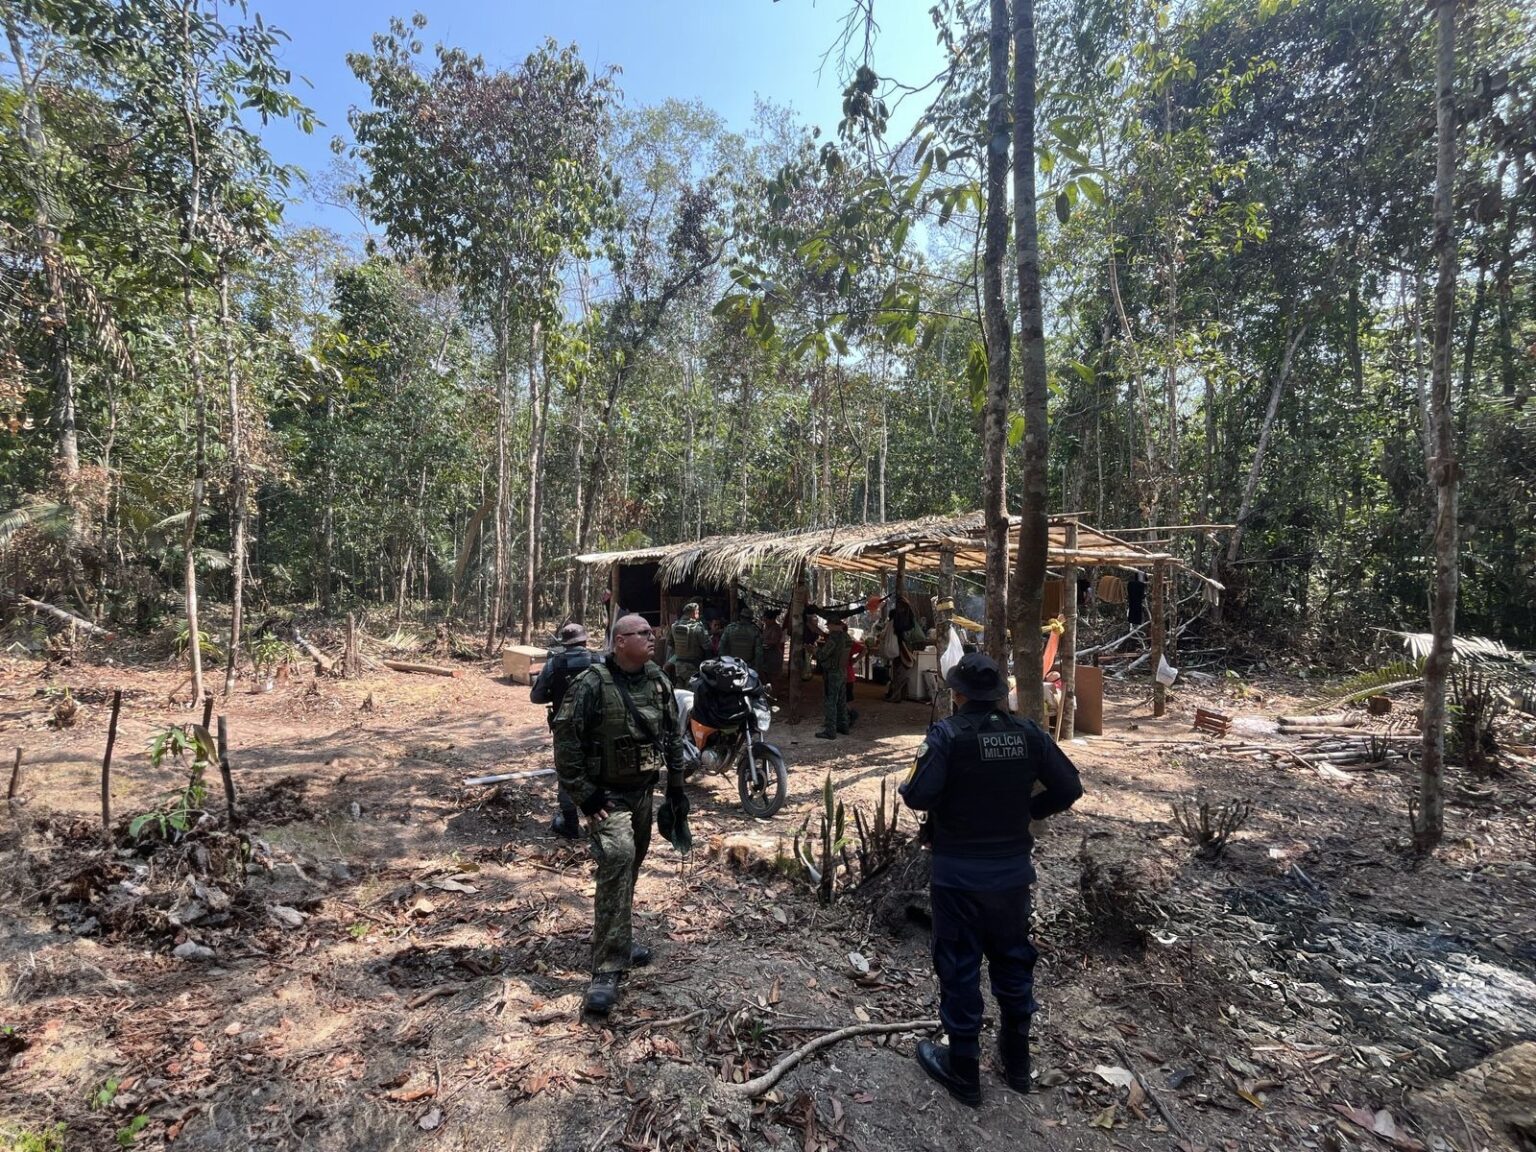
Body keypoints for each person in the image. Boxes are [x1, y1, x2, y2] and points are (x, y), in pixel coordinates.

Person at [899, 652, 1083, 1106]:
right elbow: (1069, 788)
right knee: (1013, 961)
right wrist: (1027, 812)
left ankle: (964, 1070)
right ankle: (1017, 1063)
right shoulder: (1029, 734)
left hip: (958, 875)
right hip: (1011, 876)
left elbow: (919, 796)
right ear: (1001, 695)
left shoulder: (947, 736)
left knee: (960, 968)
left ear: (958, 694)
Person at [553, 613, 688, 1017]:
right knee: (616, 858)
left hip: (643, 792)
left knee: (631, 865)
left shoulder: (659, 681)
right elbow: (566, 740)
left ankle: (620, 938)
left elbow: (671, 736)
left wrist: (676, 788)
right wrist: (584, 794)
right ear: (619, 642)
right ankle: (607, 968)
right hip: (606, 798)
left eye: (652, 632)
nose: (652, 637)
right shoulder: (591, 684)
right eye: (643, 633)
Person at [528, 622, 594, 839]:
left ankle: (570, 823)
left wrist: (560, 695)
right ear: (585, 640)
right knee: (599, 769)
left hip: (566, 728)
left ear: (565, 644)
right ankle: (601, 820)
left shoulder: (554, 663)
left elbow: (536, 696)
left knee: (567, 772)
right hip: (598, 725)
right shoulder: (600, 660)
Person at [814, 618, 853, 739]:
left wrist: (814, 650)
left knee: (831, 701)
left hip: (833, 672)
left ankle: (830, 730)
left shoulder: (834, 638)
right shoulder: (847, 637)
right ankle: (844, 726)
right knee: (841, 700)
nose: (828, 628)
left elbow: (823, 655)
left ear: (833, 625)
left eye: (829, 625)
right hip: (842, 672)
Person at [667, 602, 708, 687]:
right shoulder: (698, 628)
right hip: (693, 666)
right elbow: (707, 646)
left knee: (679, 689)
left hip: (678, 665)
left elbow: (670, 643)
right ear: (694, 613)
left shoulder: (674, 626)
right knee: (691, 691)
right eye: (697, 612)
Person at [719, 605, 764, 672]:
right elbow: (759, 653)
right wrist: (756, 668)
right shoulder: (755, 631)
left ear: (740, 617)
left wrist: (724, 662)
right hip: (748, 666)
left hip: (731, 664)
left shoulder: (730, 628)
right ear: (751, 619)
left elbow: (721, 647)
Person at [760, 611, 785, 682]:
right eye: (764, 620)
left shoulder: (776, 628)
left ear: (772, 619)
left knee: (773, 678)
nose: (765, 622)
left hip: (774, 656)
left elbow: (774, 641)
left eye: (766, 620)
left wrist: (762, 642)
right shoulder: (766, 627)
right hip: (766, 655)